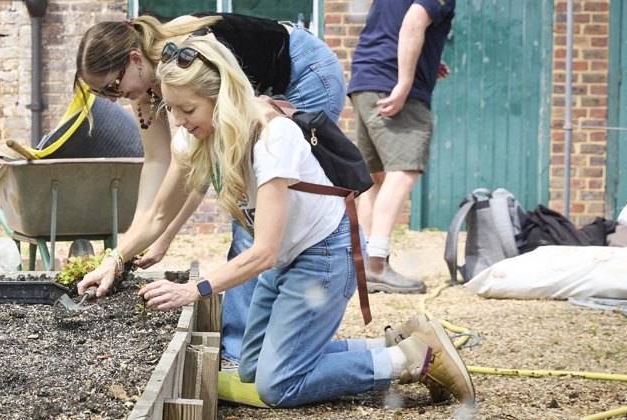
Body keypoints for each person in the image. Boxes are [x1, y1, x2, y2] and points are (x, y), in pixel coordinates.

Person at [75, 38, 474, 408]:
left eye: (188, 109)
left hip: (323, 255)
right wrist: (113, 259)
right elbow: (159, 214)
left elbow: (263, 250)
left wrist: (194, 290)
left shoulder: (272, 138)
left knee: (277, 385)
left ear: (223, 99)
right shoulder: (197, 137)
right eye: (171, 108)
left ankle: (414, 359)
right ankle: (390, 346)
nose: (177, 121)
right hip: (286, 258)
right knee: (250, 368)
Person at [71, 13, 346, 368]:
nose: (110, 99)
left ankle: (237, 349)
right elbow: (167, 166)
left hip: (304, 69)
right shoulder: (152, 92)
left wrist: (185, 273)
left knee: (255, 208)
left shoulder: (195, 57)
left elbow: (203, 174)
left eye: (111, 86)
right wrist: (123, 254)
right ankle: (270, 345)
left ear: (135, 60)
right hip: (253, 95)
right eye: (99, 93)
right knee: (249, 202)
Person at [348, 0, 455, 294]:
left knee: (377, 178)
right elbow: (412, 24)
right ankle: (377, 265)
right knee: (403, 171)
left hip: (365, 82)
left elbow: (392, 29)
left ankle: (367, 268)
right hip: (391, 86)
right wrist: (405, 83)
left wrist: (426, 61)